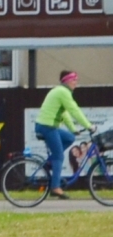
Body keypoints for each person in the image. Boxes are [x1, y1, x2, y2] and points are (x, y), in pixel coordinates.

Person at [37, 70, 92, 198]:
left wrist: (73, 129)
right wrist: (89, 126)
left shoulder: (60, 92)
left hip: (48, 126)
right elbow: (74, 110)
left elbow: (65, 113)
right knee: (59, 157)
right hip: (47, 126)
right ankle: (55, 187)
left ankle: (50, 162)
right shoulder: (63, 92)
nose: (76, 83)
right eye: (74, 80)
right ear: (66, 81)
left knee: (70, 137)